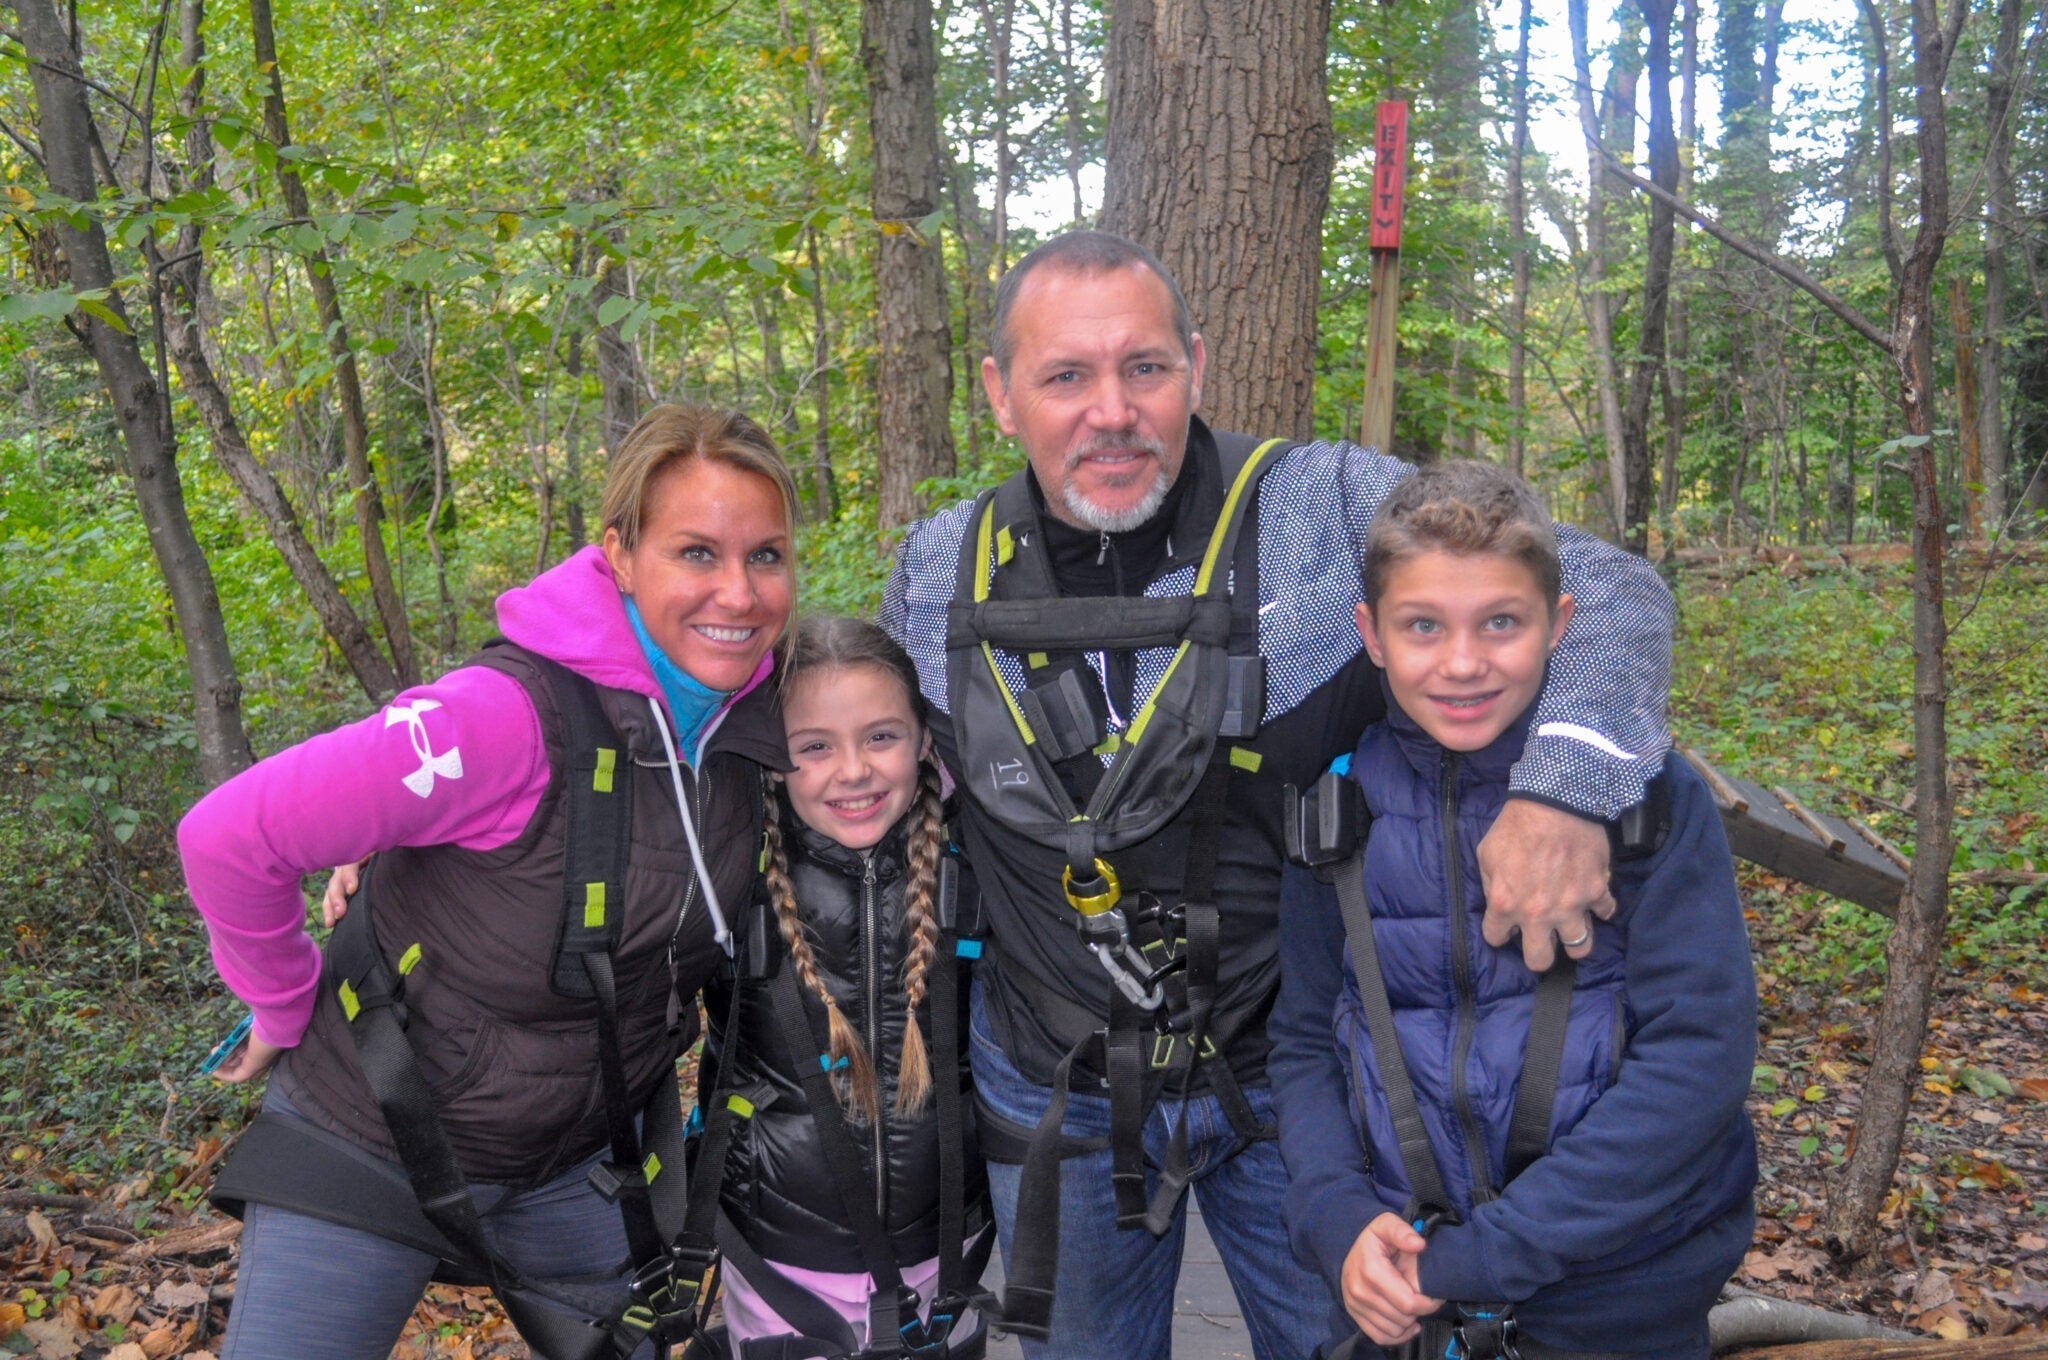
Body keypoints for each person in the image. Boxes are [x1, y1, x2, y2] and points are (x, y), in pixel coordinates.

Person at [878, 231, 1677, 1360]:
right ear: (1001, 396)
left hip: (1294, 1090)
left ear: (1194, 366)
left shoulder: (1320, 507)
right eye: (1065, 375)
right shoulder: (932, 570)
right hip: (1051, 1081)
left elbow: (1607, 586)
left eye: (1143, 367)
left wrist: (1563, 791)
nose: (1111, 409)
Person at [178, 404, 800, 1360]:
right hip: (377, 1134)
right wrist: (279, 1002)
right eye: (697, 553)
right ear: (620, 555)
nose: (740, 592)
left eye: (766, 556)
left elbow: (893, 748)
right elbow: (227, 837)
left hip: (573, 1160)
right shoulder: (502, 718)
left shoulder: (754, 725)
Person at [1267, 460, 1757, 1360]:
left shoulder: (1645, 802)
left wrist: (1490, 1255)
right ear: (1369, 635)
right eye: (1423, 626)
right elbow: (1303, 1039)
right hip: (1403, 1282)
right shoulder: (1335, 810)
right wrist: (1337, 1220)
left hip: (1616, 1291)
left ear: (1559, 625)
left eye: (1501, 622)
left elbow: (1701, 1054)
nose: (1463, 662)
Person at [699, 615, 992, 1359]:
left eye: (881, 737)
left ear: (926, 741)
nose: (853, 770)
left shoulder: (982, 860)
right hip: (779, 1260)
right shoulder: (721, 869)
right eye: (815, 748)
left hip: (947, 1253)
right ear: (771, 759)